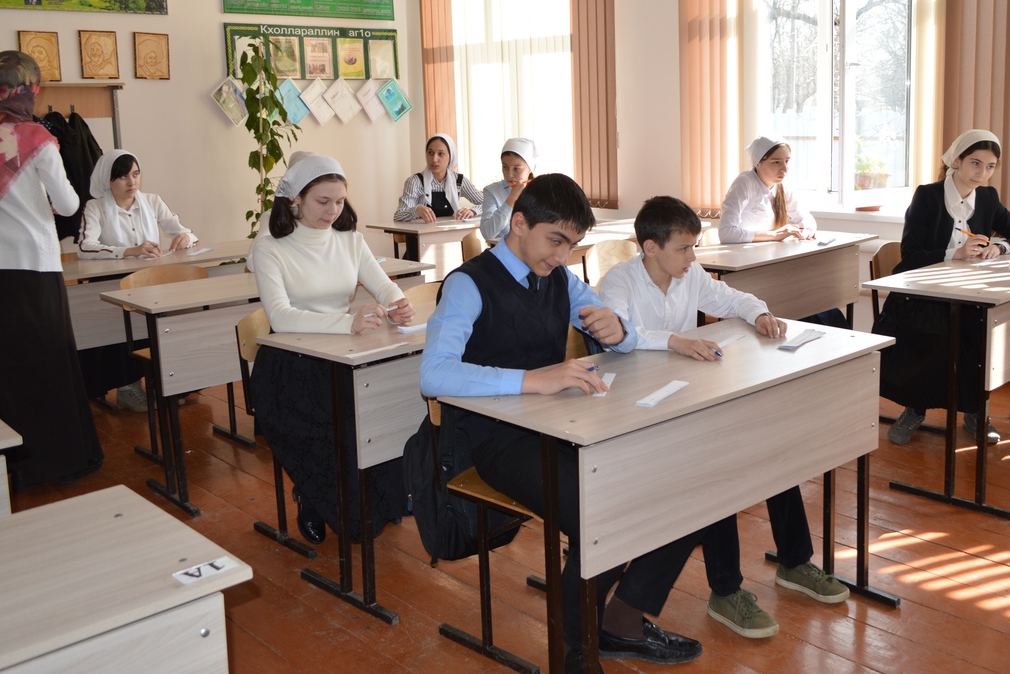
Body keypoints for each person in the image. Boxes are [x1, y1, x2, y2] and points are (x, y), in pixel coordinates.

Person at [420, 174, 703, 672]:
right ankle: (575, 649)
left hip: (567, 426)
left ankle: (621, 619)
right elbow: (434, 374)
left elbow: (614, 328)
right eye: (556, 240)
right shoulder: (469, 284)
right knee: (603, 514)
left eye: (572, 245)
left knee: (686, 488)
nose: (563, 255)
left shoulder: (559, 278)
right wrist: (534, 380)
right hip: (501, 439)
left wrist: (619, 331)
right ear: (519, 223)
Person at [601, 196, 851, 639]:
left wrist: (759, 313)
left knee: (768, 449)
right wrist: (675, 341)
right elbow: (620, 333)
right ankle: (726, 590)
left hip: (682, 396)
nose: (692, 257)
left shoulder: (689, 274)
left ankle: (795, 562)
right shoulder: (619, 281)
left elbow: (732, 298)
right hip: (636, 411)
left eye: (694, 247)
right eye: (684, 248)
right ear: (650, 248)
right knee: (718, 467)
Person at [0, 51, 102, 489]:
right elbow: (68, 204)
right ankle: (56, 461)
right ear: (29, 90)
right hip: (31, 270)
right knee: (47, 365)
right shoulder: (35, 137)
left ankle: (7, 461)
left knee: (1, 367)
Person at [250, 154, 415, 545]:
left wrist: (398, 303)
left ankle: (381, 499)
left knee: (383, 411)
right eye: (322, 201)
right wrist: (348, 323)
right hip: (292, 365)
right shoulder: (270, 246)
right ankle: (313, 496)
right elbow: (280, 316)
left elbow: (383, 285)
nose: (333, 210)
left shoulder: (350, 240)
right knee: (333, 431)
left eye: (340, 201)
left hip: (344, 354)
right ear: (296, 199)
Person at [876, 129, 1010, 446]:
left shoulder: (987, 197)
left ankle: (975, 410)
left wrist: (999, 247)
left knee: (979, 335)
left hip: (968, 291)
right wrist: (956, 254)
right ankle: (915, 408)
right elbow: (911, 255)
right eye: (975, 163)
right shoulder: (928, 196)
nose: (982, 173)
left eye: (990, 166)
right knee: (932, 335)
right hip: (921, 292)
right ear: (956, 161)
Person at [76, 149, 197, 409]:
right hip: (114, 284)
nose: (132, 182)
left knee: (167, 324)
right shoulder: (96, 207)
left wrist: (186, 237)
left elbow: (184, 231)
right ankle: (128, 387)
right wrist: (128, 251)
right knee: (121, 328)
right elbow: (85, 247)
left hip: (151, 281)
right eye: (123, 177)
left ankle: (166, 383)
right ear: (108, 180)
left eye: (136, 174)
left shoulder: (152, 201)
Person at [721, 135, 848, 329]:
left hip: (772, 262)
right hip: (746, 267)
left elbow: (805, 216)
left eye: (787, 161)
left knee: (819, 305)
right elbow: (726, 232)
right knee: (803, 305)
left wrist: (807, 229)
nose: (784, 169)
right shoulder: (744, 182)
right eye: (776, 162)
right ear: (758, 163)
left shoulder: (782, 186)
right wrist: (774, 235)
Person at [393, 132, 483, 224]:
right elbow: (398, 215)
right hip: (422, 232)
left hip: (451, 231)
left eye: (441, 154)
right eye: (431, 153)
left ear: (451, 156)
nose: (434, 159)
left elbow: (488, 203)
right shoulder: (415, 182)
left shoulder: (459, 181)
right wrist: (416, 210)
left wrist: (473, 211)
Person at [480, 137, 536, 241]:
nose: (509, 175)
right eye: (505, 167)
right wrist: (511, 200)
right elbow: (488, 233)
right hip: (503, 249)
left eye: (516, 169)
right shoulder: (492, 191)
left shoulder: (540, 190)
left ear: (529, 168)